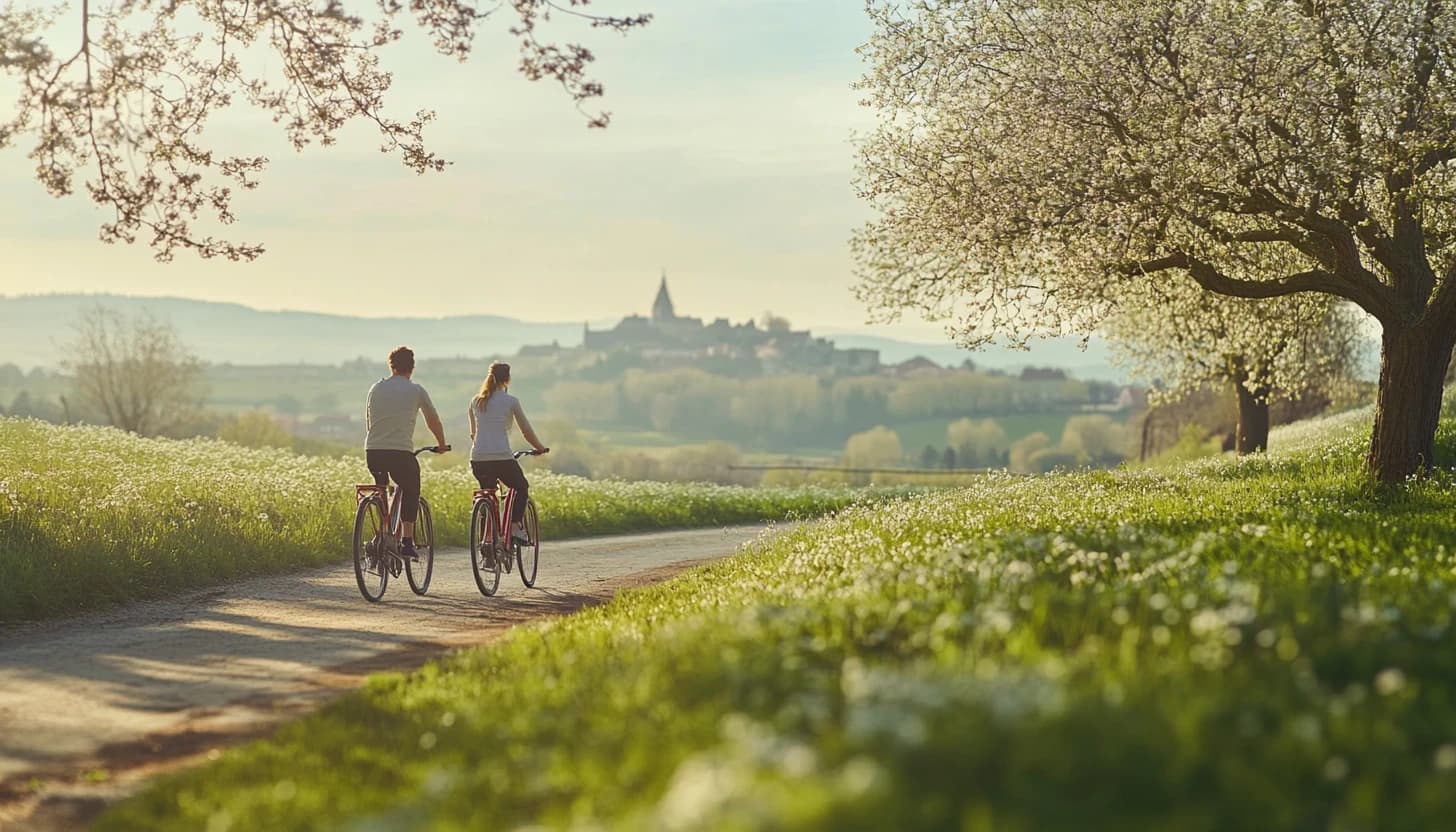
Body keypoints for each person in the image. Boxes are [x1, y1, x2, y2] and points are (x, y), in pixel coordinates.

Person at [365, 346, 448, 561]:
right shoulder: (416, 390)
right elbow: (433, 421)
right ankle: (407, 541)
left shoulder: (376, 388)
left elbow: (370, 422)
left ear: (390, 366)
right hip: (400, 452)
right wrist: (441, 444)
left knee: (382, 488)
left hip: (373, 450)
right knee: (411, 487)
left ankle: (383, 536)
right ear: (412, 367)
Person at [468, 361, 548, 545]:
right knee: (521, 487)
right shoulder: (511, 401)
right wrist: (539, 448)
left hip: (478, 459)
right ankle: (514, 527)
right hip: (502, 457)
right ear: (507, 379)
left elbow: (473, 433)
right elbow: (526, 431)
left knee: (487, 494)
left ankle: (486, 539)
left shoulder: (475, 401)